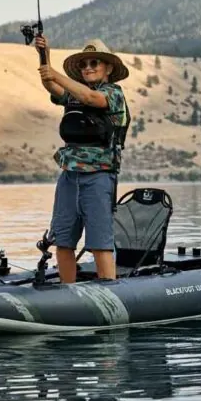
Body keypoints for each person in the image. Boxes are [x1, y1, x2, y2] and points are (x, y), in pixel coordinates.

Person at [34, 34, 130, 283]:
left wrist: (55, 73)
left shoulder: (113, 94)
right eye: (84, 65)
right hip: (69, 175)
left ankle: (109, 290)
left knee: (99, 242)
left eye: (94, 63)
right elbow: (53, 88)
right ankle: (68, 292)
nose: (87, 68)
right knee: (63, 240)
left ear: (108, 68)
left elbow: (90, 98)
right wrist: (44, 57)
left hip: (99, 176)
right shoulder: (74, 94)